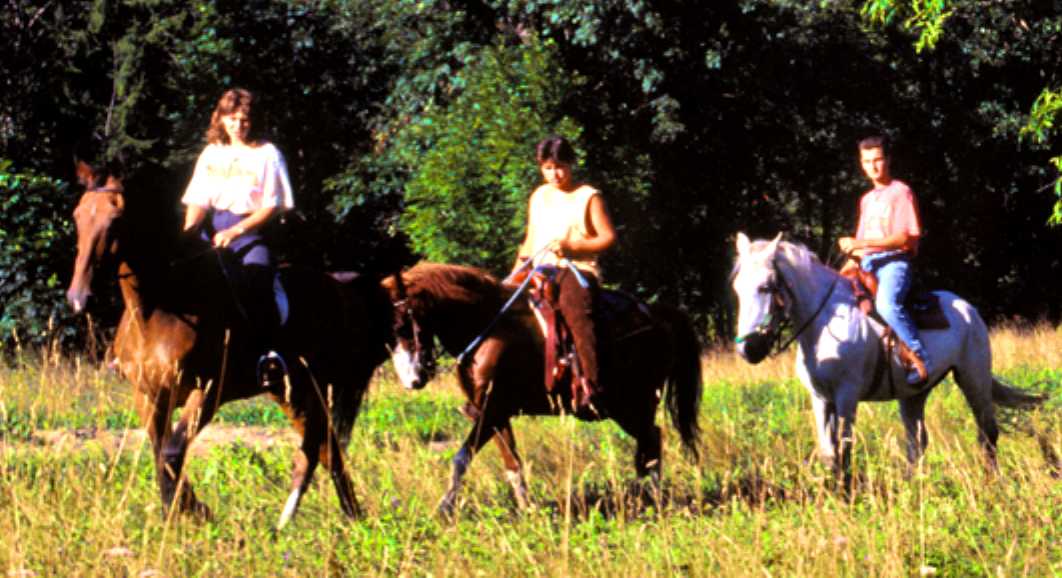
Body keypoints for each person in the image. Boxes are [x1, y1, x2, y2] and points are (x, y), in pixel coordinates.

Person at [181, 88, 294, 386]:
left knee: (258, 278)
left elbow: (271, 206)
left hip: (252, 232)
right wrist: (188, 232)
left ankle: (268, 355)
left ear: (253, 121)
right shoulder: (212, 153)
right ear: (221, 119)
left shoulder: (267, 154)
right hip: (211, 229)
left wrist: (236, 231)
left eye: (244, 119)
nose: (238, 125)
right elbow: (197, 198)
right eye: (232, 118)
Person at [512, 136, 617, 411]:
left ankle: (592, 388)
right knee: (504, 307)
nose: (554, 174)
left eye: (560, 167)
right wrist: (513, 275)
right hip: (539, 267)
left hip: (576, 269)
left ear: (571, 164)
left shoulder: (588, 196)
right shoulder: (539, 196)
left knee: (575, 311)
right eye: (547, 168)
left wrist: (574, 246)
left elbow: (608, 237)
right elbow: (530, 239)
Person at [838, 135, 929, 385]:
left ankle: (920, 357)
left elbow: (904, 237)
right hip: (867, 264)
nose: (873, 166)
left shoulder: (900, 192)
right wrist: (842, 270)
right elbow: (859, 246)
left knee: (887, 304)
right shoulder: (866, 200)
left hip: (893, 262)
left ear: (888, 160)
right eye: (867, 161)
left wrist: (861, 244)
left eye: (878, 160)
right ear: (861, 164)